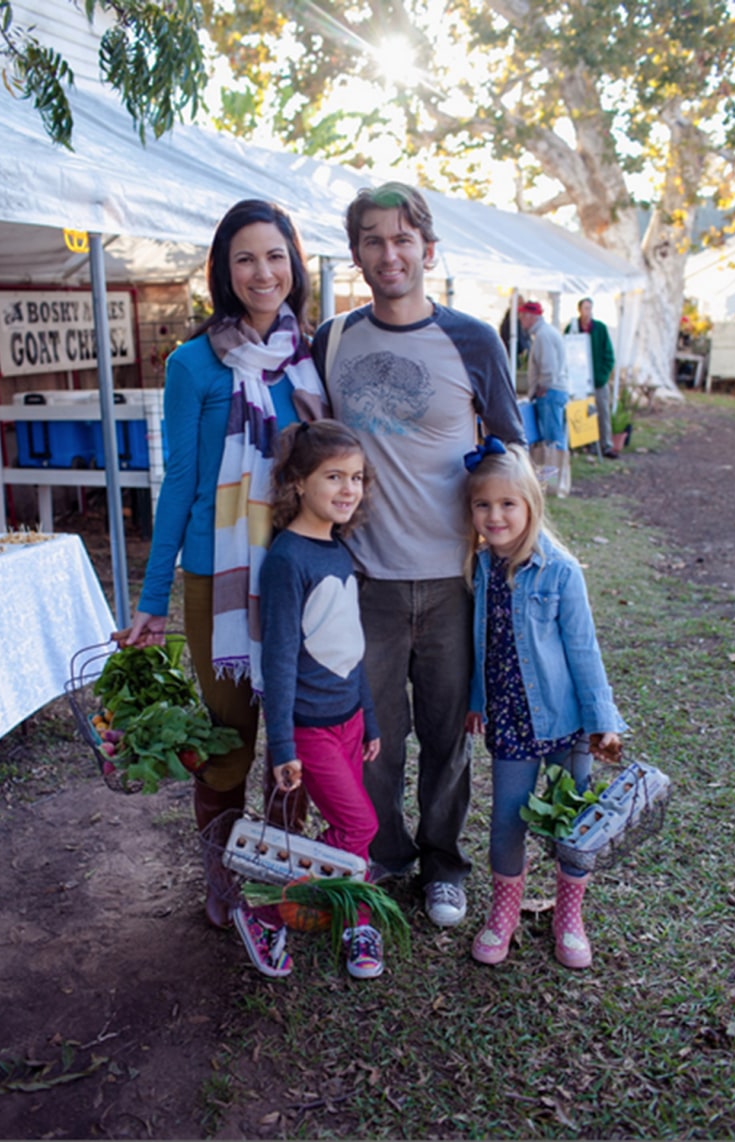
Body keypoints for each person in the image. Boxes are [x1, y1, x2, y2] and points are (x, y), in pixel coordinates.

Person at [114, 199, 327, 954]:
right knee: (230, 736)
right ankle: (224, 872)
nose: (262, 272)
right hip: (220, 575)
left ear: (294, 264)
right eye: (245, 258)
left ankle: (288, 870)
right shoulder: (192, 363)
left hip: (303, 572)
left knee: (300, 732)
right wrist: (150, 599)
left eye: (275, 255)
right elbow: (178, 485)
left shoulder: (314, 355)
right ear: (224, 271)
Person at [311, 181, 525, 929]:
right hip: (360, 579)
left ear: (428, 250)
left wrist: (513, 552)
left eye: (402, 239)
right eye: (372, 239)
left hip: (452, 582)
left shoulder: (473, 339)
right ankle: (386, 853)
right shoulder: (331, 339)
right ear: (356, 254)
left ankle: (441, 860)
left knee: (447, 736)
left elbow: (512, 451)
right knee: (371, 738)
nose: (389, 252)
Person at [463, 438, 626, 969]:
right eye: (483, 505)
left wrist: (602, 721)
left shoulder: (561, 571)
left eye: (508, 504)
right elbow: (478, 641)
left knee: (569, 823)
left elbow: (583, 649)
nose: (495, 515)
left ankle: (569, 916)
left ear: (532, 504)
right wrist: (476, 699)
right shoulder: (481, 566)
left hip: (566, 723)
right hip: (510, 722)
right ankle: (503, 914)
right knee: (508, 821)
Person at [259, 420, 384, 979]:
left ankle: (353, 918)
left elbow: (346, 648)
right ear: (296, 483)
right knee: (358, 828)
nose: (348, 489)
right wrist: (282, 742)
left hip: (351, 722)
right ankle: (266, 913)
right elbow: (280, 660)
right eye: (333, 476)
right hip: (311, 730)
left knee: (351, 827)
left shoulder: (338, 550)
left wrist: (371, 716)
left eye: (356, 477)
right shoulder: (288, 559)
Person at [518, 299, 571, 496]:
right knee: (555, 438)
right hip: (554, 391)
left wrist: (543, 386)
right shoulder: (547, 332)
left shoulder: (543, 335)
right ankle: (555, 482)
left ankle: (552, 484)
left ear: (530, 317)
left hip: (550, 392)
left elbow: (548, 366)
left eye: (523, 317)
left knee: (552, 441)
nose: (521, 321)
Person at [565, 297, 618, 459]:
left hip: (598, 380)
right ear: (579, 310)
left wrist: (601, 376)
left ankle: (605, 445)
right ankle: (584, 444)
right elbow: (566, 350)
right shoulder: (572, 328)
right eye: (585, 308)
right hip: (578, 380)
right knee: (581, 411)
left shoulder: (600, 329)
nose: (587, 312)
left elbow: (609, 356)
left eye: (590, 308)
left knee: (602, 412)